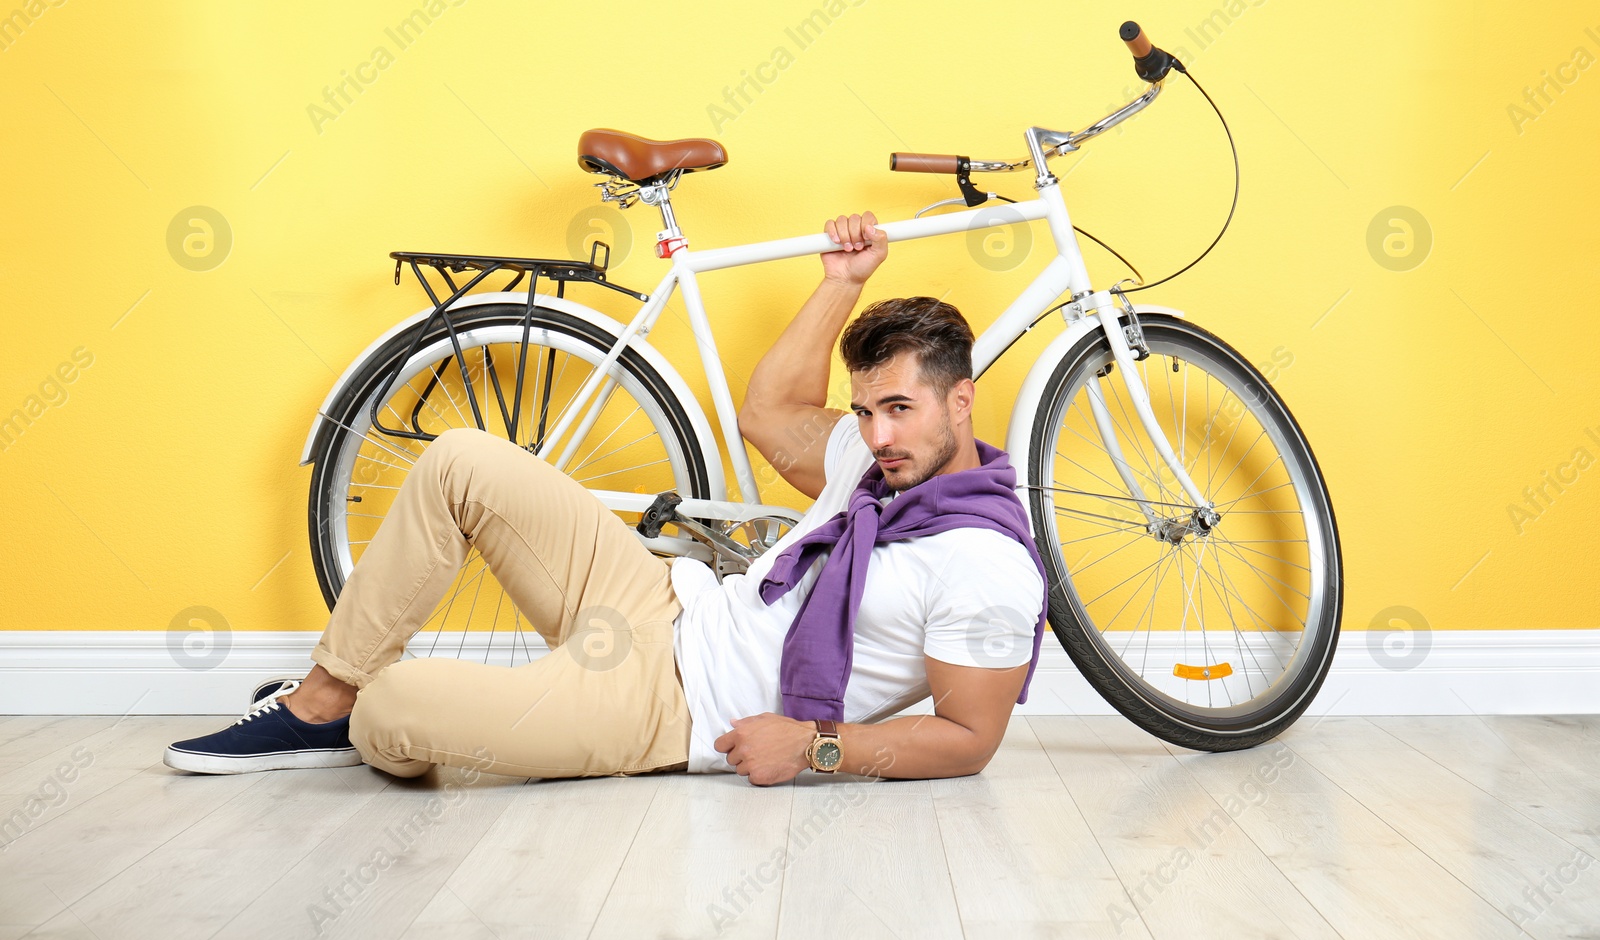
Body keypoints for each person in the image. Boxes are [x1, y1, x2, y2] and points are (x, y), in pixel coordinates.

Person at [164, 212, 1047, 786]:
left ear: (960, 401)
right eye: (866, 409)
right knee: (463, 458)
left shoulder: (987, 563)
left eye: (900, 409)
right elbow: (770, 411)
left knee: (394, 708)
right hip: (662, 601)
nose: (878, 434)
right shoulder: (875, 455)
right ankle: (321, 700)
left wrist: (816, 746)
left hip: (674, 707)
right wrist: (840, 283)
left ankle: (371, 702)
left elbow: (971, 738)